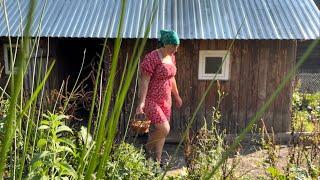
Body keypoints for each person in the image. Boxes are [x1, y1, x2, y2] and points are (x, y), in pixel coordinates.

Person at [136, 30, 182, 165]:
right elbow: (144, 80)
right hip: (152, 100)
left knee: (161, 133)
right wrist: (142, 102)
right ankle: (146, 149)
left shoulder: (171, 57)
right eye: (173, 46)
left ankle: (158, 160)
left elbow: (172, 78)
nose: (176, 49)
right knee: (164, 129)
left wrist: (177, 96)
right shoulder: (152, 57)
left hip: (166, 100)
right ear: (165, 44)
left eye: (177, 46)